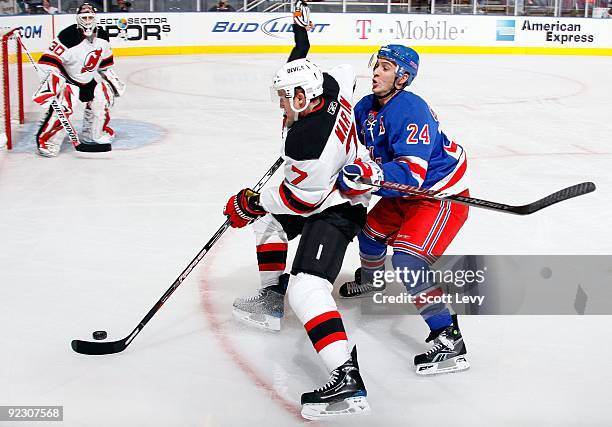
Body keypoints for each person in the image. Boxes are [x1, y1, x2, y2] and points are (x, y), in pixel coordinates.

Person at [224, 3, 371, 419]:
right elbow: (317, 65)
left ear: (306, 97)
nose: (282, 105)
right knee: (267, 226)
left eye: (288, 98)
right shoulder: (331, 83)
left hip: (338, 207)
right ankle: (272, 297)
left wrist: (250, 203)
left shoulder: (306, 144)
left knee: (306, 286)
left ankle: (347, 379)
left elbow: (299, 202)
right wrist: (300, 34)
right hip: (328, 185)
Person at [336, 45, 471, 376]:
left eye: (384, 67)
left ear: (403, 77)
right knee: (369, 236)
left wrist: (372, 177)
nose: (376, 72)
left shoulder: (411, 110)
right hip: (403, 193)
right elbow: (352, 146)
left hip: (437, 195)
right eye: (376, 66)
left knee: (408, 261)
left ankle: (449, 339)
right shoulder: (366, 106)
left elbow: (412, 174)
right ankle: (372, 280)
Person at [33, 3, 125, 157]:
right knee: (65, 105)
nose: (87, 19)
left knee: (101, 98)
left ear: (95, 17)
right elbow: (47, 62)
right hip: (68, 80)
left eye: (90, 15)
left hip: (88, 80)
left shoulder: (103, 36)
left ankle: (93, 134)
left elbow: (104, 63)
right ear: (78, 17)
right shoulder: (68, 35)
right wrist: (52, 83)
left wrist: (110, 80)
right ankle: (47, 141)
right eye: (84, 15)